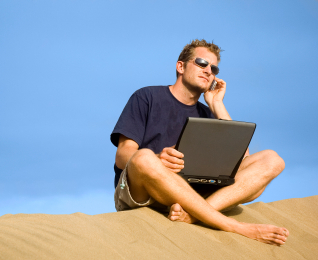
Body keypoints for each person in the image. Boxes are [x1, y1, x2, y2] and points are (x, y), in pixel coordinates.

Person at [110, 39, 289, 246]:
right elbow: (123, 156)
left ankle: (194, 215)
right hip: (147, 191)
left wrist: (217, 104)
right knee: (143, 157)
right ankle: (233, 226)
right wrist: (158, 159)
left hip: (193, 194)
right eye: (202, 63)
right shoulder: (147, 96)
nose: (208, 70)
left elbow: (241, 163)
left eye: (214, 68)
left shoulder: (208, 113)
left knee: (272, 159)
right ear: (180, 66)